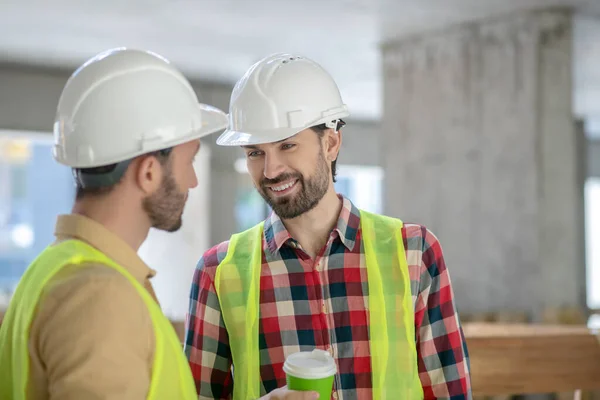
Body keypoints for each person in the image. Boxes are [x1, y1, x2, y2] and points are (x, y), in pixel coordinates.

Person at [185, 53, 472, 400]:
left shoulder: (414, 252)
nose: (271, 170)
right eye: (254, 153)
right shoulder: (219, 272)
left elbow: (450, 392)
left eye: (287, 145)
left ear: (331, 143)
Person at [0, 47, 229, 399]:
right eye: (190, 161)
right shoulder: (99, 297)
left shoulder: (58, 267)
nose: (193, 181)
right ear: (149, 172)